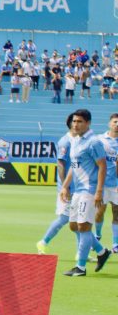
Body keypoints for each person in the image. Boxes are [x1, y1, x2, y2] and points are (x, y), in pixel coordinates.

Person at [60, 109, 111, 276]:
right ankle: (102, 252)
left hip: (90, 190)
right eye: (74, 121)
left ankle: (80, 267)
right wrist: (65, 186)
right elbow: (74, 168)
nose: (75, 124)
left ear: (88, 123)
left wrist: (99, 192)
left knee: (84, 226)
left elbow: (102, 166)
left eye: (79, 122)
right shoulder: (75, 140)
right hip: (78, 190)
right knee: (73, 225)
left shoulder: (94, 142)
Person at [37, 117, 78, 255]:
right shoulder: (65, 142)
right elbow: (60, 164)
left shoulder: (77, 141)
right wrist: (64, 186)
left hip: (77, 186)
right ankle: (43, 242)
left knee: (78, 220)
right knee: (64, 218)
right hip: (68, 187)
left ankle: (82, 252)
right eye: (76, 121)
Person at [95, 113, 118, 254]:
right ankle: (97, 235)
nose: (117, 124)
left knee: (117, 213)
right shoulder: (100, 140)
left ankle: (116, 243)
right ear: (109, 124)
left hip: (116, 184)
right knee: (99, 211)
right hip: (102, 183)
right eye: (115, 122)